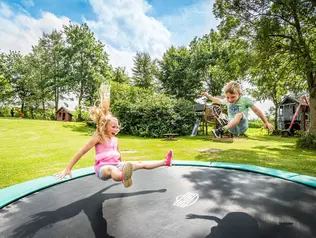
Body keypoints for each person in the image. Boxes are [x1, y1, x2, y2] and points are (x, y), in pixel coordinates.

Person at [56, 84, 173, 188]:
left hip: (117, 165)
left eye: (117, 127)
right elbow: (81, 152)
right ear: (105, 126)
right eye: (113, 127)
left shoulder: (115, 140)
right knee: (112, 169)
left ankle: (165, 162)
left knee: (140, 164)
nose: (116, 129)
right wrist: (68, 168)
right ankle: (123, 176)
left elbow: (119, 154)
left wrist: (123, 165)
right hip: (103, 169)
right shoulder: (99, 137)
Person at [201, 81, 274, 138]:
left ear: (239, 94)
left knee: (239, 114)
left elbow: (256, 110)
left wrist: (266, 122)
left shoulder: (245, 100)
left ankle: (221, 130)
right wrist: (207, 95)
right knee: (226, 115)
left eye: (233, 97)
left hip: (242, 126)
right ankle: (224, 122)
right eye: (228, 97)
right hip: (232, 128)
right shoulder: (227, 101)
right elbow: (217, 100)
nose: (230, 100)